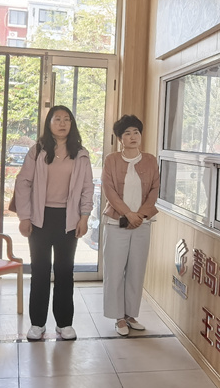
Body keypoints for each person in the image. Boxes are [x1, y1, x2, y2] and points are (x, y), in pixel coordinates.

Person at [14, 106, 93, 342]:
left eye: (67, 119)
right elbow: (23, 183)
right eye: (57, 119)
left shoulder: (80, 154)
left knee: (64, 271)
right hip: (40, 218)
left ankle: (64, 323)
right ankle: (37, 324)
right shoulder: (37, 151)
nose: (62, 123)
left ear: (72, 124)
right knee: (39, 271)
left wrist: (84, 216)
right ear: (49, 123)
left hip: (68, 219)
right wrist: (24, 217)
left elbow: (87, 188)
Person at [101, 115, 159, 336]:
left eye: (136, 132)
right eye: (127, 133)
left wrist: (140, 215)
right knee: (115, 270)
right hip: (116, 222)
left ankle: (131, 314)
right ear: (120, 139)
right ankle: (118, 318)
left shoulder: (150, 160)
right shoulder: (112, 160)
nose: (133, 136)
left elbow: (154, 190)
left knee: (136, 270)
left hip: (142, 223)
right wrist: (127, 213)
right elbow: (109, 190)